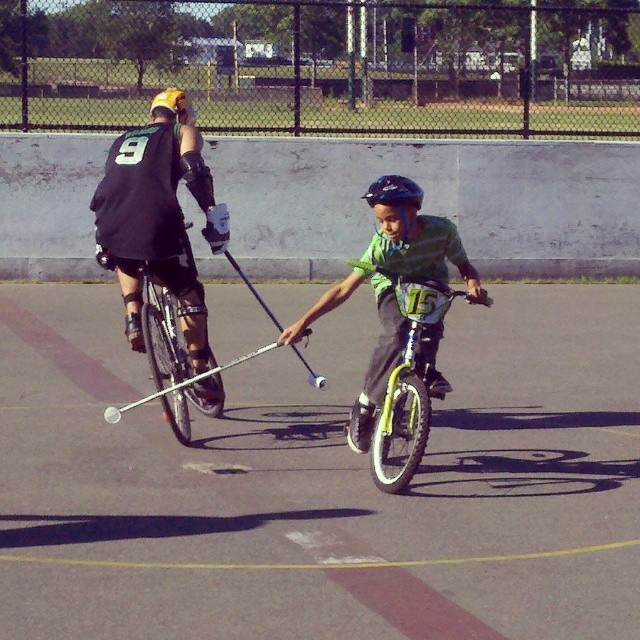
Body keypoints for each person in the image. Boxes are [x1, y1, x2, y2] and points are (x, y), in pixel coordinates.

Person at [278, 174, 488, 454]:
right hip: (392, 286)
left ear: (413, 211)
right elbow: (344, 289)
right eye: (380, 221)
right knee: (399, 331)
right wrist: (302, 322)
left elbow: (464, 265)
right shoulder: (382, 245)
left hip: (430, 286)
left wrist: (473, 285)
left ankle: (420, 378)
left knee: (429, 332)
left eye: (391, 219)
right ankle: (366, 404)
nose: (386, 227)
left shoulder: (443, 231)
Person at [90, 88, 229, 403]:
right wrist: (212, 216)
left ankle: (132, 316)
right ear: (182, 113)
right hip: (155, 221)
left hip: (107, 220)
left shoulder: (124, 138)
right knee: (188, 291)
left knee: (125, 254)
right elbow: (193, 169)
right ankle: (198, 372)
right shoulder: (182, 130)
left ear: (152, 114)